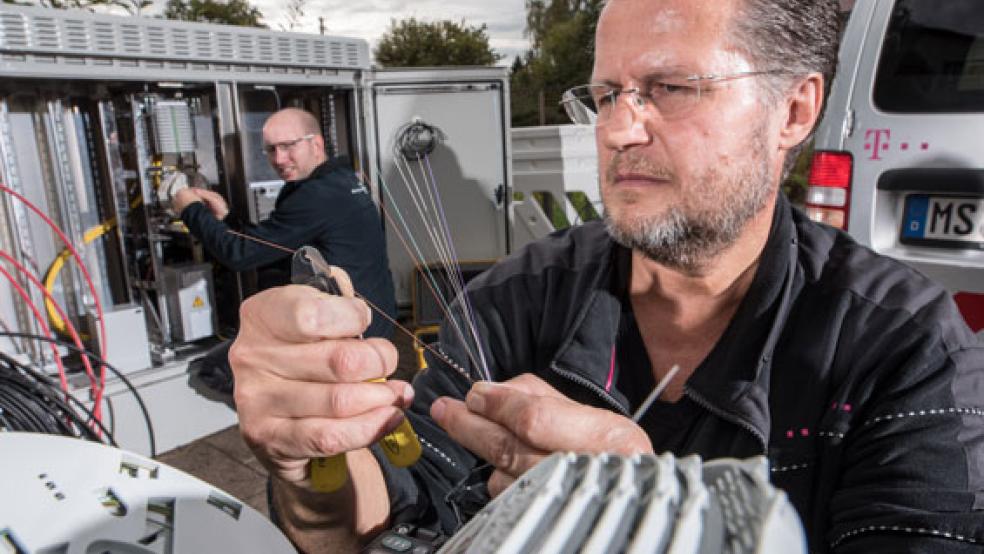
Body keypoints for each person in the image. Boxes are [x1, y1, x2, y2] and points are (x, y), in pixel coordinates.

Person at [229, 0, 984, 552]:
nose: (619, 129)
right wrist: (308, 457)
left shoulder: (906, 352)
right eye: (604, 95)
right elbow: (383, 518)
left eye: (671, 88)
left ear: (793, 108)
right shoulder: (513, 303)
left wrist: (656, 521)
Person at [172, 107, 396, 338]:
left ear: (316, 144)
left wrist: (191, 209)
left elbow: (240, 254)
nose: (279, 159)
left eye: (288, 146)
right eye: (271, 149)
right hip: (367, 318)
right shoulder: (342, 180)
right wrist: (226, 218)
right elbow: (276, 239)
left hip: (347, 329)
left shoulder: (317, 195)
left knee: (214, 371)